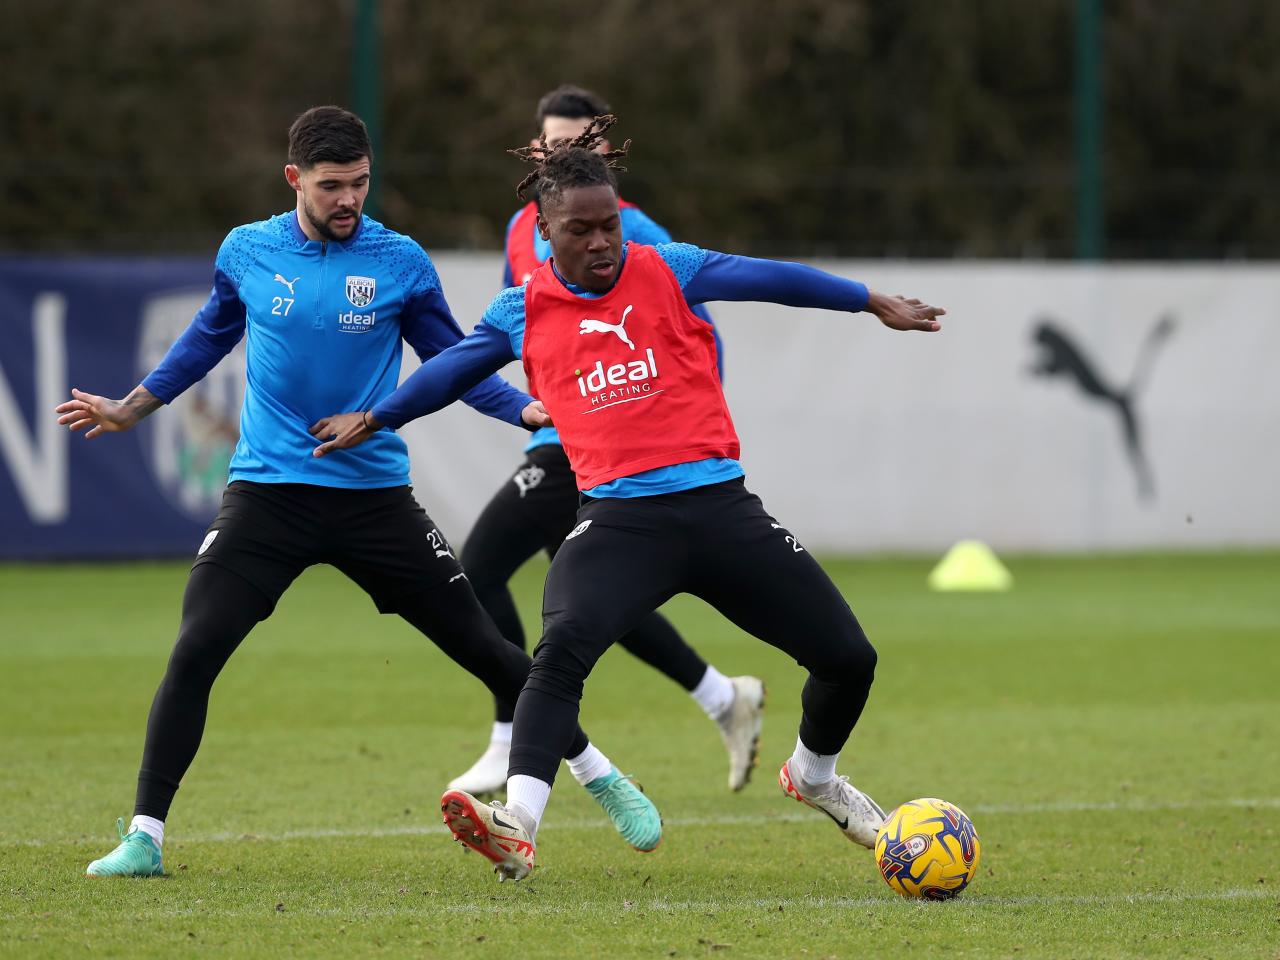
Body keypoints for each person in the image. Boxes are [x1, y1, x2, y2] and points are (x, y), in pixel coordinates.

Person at [311, 116, 946, 882]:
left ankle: (814, 776)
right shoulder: (523, 308)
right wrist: (377, 416)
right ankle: (518, 824)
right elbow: (448, 372)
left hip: (721, 510)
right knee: (557, 655)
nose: (601, 242)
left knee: (849, 660)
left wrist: (869, 300)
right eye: (580, 231)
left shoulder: (667, 267)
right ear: (545, 233)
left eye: (608, 225)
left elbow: (768, 278)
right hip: (619, 522)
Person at [55, 106, 662, 879]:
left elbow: (454, 360)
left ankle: (599, 773)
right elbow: (208, 335)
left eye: (360, 184)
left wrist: (525, 410)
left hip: (373, 500)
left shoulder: (400, 261)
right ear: (294, 179)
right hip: (267, 495)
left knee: (485, 649)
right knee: (197, 646)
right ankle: (144, 837)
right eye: (332, 186)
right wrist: (132, 406)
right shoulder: (247, 250)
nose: (348, 200)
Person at [449, 85, 764, 798]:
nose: (563, 153)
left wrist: (678, 422)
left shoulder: (635, 227)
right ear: (536, 148)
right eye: (554, 142)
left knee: (483, 567)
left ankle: (508, 736)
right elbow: (521, 324)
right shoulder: (519, 228)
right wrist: (528, 406)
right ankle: (722, 697)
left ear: (603, 153)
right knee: (593, 603)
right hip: (561, 435)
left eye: (580, 143)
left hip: (606, 443)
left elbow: (696, 328)